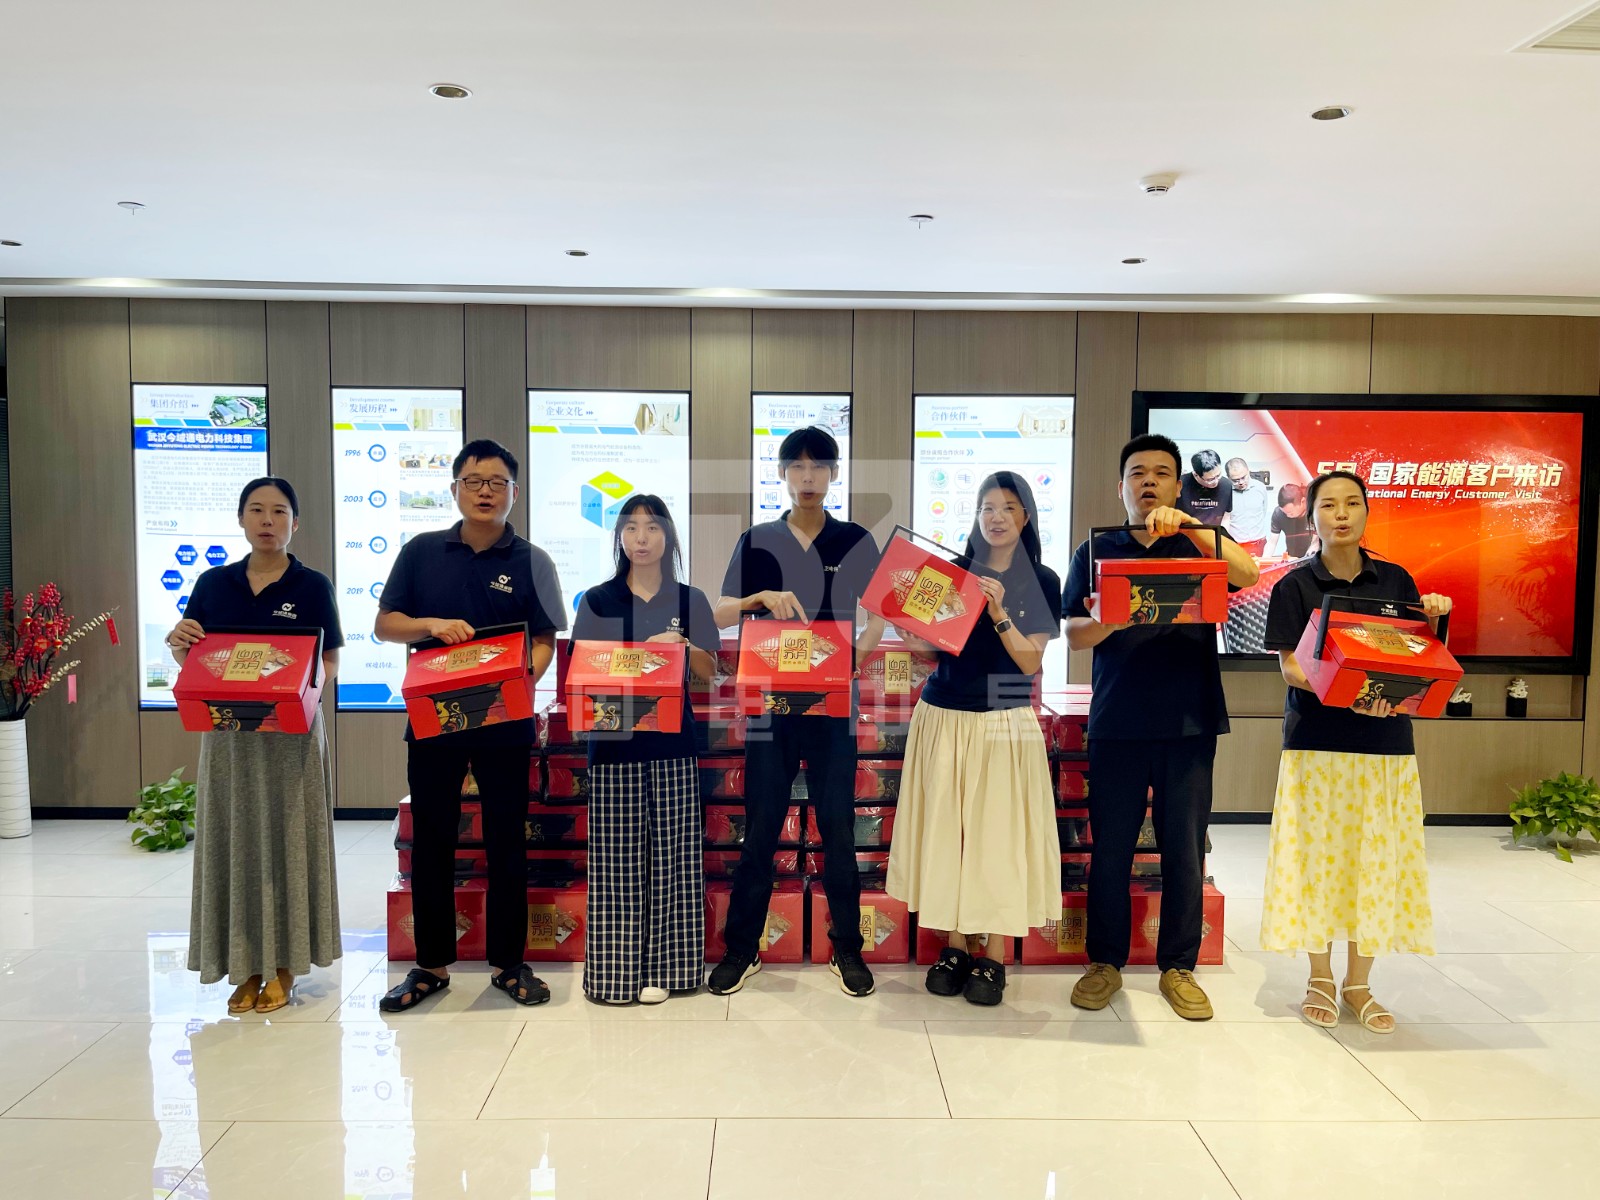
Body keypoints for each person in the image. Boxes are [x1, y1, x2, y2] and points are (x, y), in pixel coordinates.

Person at [1063, 434, 1260, 1019]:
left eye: (1161, 473)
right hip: (1118, 722)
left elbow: (1248, 573)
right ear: (1120, 487)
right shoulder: (1097, 548)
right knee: (1111, 850)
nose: (1148, 482)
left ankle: (1178, 966)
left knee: (1183, 851)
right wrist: (1112, 615)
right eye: (1137, 473)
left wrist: (1195, 527)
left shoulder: (1201, 542)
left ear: (1179, 485)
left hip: (1190, 721)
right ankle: (1105, 962)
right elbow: (1074, 634)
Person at [373, 438, 565, 1011]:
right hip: (434, 717)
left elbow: (544, 639)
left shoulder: (533, 560)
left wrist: (518, 684)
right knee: (433, 837)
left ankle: (509, 963)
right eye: (474, 481)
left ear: (514, 493)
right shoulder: (420, 552)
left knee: (507, 838)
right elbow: (385, 624)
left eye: (497, 482)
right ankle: (430, 965)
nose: (486, 491)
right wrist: (431, 625)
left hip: (504, 720)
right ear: (454, 488)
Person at [1259, 470, 1448, 1033]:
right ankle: (1319, 975)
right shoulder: (1294, 586)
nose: (1341, 514)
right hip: (1317, 743)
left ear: (1367, 512)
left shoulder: (1396, 580)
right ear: (1310, 516)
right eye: (1328, 505)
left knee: (1375, 861)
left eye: (1352, 504)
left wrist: (1433, 619)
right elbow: (1291, 668)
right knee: (1320, 860)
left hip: (1386, 745)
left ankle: (1359, 982)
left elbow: (1416, 656)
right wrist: (1352, 694)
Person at [710, 426, 885, 997]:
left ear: (833, 474)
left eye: (819, 467)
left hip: (833, 706)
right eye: (797, 468)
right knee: (761, 825)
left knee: (838, 826)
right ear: (782, 474)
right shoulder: (757, 540)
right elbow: (718, 613)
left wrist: (859, 654)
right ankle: (742, 948)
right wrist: (759, 599)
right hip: (771, 705)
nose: (808, 478)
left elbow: (883, 608)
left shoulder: (855, 540)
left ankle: (848, 948)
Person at [167, 477, 344, 1014]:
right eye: (257, 510)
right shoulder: (213, 583)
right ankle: (242, 965)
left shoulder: (312, 586)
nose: (268, 520)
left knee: (291, 842)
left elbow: (329, 662)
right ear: (241, 519)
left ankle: (286, 965)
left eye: (279, 511)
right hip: (229, 738)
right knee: (234, 841)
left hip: (292, 736)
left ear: (296, 523)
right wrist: (178, 645)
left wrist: (295, 692)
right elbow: (195, 661)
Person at [886, 472, 1062, 1006]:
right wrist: (911, 635)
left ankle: (996, 955)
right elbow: (933, 651)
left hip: (1004, 722)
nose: (996, 517)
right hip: (943, 714)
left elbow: (1029, 662)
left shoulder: (1042, 580)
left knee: (999, 838)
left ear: (1026, 517)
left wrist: (999, 612)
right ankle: (956, 946)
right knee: (950, 833)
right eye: (987, 507)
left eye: (1007, 507)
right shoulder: (952, 573)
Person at [571, 496, 719, 1005]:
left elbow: (710, 672)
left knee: (675, 860)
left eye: (652, 527)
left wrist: (681, 647)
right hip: (613, 747)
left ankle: (668, 970)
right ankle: (614, 976)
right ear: (619, 537)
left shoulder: (690, 599)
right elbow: (582, 672)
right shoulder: (597, 600)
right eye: (631, 527)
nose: (641, 537)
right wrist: (641, 654)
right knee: (616, 864)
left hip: (674, 744)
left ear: (668, 537)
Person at [1222, 457, 1273, 555]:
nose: (1241, 482)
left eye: (1243, 477)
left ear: (1248, 471)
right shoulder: (1224, 492)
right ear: (1228, 477)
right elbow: (1224, 520)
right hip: (1235, 547)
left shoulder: (1260, 488)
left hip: (1259, 545)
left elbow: (1263, 511)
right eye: (1235, 480)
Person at [1178, 449, 1231, 526]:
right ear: (1196, 475)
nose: (1216, 481)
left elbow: (1226, 516)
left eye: (1218, 475)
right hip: (1185, 531)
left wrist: (1223, 533)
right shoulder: (1179, 485)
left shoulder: (1226, 485)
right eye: (1210, 479)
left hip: (1215, 532)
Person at [1268, 483, 1314, 559]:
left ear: (1302, 501)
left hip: (1312, 557)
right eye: (1285, 512)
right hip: (1292, 559)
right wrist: (1264, 560)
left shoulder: (1314, 513)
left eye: (1290, 513)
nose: (1287, 515)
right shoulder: (1279, 513)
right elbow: (1272, 542)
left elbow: (1316, 542)